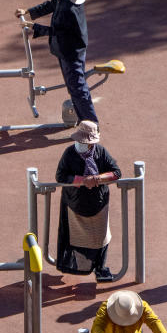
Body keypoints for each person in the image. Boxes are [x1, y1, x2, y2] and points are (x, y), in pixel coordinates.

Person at [16, 0, 98, 124]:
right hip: (65, 49)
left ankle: (92, 126)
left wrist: (34, 26)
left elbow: (58, 32)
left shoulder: (70, 10)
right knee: (73, 88)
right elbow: (52, 4)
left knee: (79, 90)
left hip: (71, 52)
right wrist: (27, 11)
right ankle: (83, 121)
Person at [55, 120, 122, 282]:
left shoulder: (101, 152)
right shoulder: (69, 153)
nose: (82, 145)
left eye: (86, 142)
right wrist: (82, 180)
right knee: (73, 236)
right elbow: (60, 176)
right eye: (80, 141)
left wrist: (97, 178)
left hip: (98, 203)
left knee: (102, 237)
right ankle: (70, 264)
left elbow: (116, 172)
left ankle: (100, 268)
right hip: (75, 204)